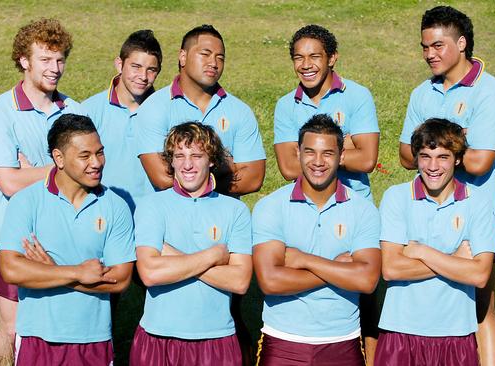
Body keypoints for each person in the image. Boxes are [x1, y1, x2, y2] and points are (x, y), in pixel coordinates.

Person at [398, 6, 495, 365]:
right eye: (424, 46)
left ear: (461, 43)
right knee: (430, 295)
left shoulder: (490, 92)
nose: (429, 54)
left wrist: (432, 138)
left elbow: (480, 162)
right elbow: (404, 154)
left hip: (476, 214)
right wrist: (457, 135)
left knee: (480, 306)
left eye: (438, 45)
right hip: (426, 212)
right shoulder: (421, 92)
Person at [0, 18, 80, 366]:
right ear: (24, 60)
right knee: (13, 327)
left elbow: (89, 173)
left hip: (63, 232)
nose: (55, 69)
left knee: (58, 324)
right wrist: (61, 168)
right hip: (11, 236)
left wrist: (31, 171)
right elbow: (8, 182)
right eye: (46, 60)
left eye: (60, 59)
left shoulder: (75, 111)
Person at [0, 114, 135, 365]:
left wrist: (48, 270)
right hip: (37, 340)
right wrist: (77, 272)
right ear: (58, 158)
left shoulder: (116, 207)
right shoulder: (26, 202)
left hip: (94, 342)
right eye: (85, 156)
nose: (96, 162)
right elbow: (10, 269)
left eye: (100, 152)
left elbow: (121, 279)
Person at [252, 114, 381, 365]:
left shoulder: (364, 209)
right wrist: (338, 269)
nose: (318, 162)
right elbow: (270, 281)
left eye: (328, 153)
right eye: (310, 152)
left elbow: (366, 280)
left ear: (342, 156)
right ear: (298, 153)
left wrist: (303, 259)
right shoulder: (270, 207)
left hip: (343, 341)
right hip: (282, 342)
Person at [376, 119, 495, 365]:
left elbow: (479, 275)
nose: (433, 166)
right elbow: (391, 269)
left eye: (443, 157)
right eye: (425, 156)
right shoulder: (396, 197)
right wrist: (455, 262)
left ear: (456, 159)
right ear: (416, 159)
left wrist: (421, 251)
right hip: (400, 334)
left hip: (456, 335)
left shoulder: (478, 202)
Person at [130, 122, 253, 366]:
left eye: (196, 156)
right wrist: (214, 254)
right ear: (171, 161)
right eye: (179, 156)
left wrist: (173, 255)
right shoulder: (150, 206)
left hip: (216, 340)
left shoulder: (236, 210)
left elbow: (239, 281)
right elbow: (150, 273)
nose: (188, 165)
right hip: (158, 338)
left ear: (211, 160)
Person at [134, 24, 266, 196]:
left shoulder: (240, 111)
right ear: (183, 56)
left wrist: (191, 174)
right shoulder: (154, 107)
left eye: (220, 57)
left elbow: (253, 178)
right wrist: (225, 164)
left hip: (221, 219)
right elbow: (162, 178)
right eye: (205, 54)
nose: (213, 63)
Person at [273, 24, 379, 200]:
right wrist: (341, 146)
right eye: (299, 58)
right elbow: (289, 168)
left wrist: (308, 155)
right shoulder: (285, 105)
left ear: (331, 58)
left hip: (354, 201)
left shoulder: (357, 95)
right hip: (305, 203)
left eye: (314, 57)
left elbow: (367, 159)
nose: (306, 65)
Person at [82, 29, 162, 213]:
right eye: (136, 66)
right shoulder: (88, 111)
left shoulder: (166, 111)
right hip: (103, 217)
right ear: (119, 64)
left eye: (151, 70)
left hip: (152, 219)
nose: (143, 76)